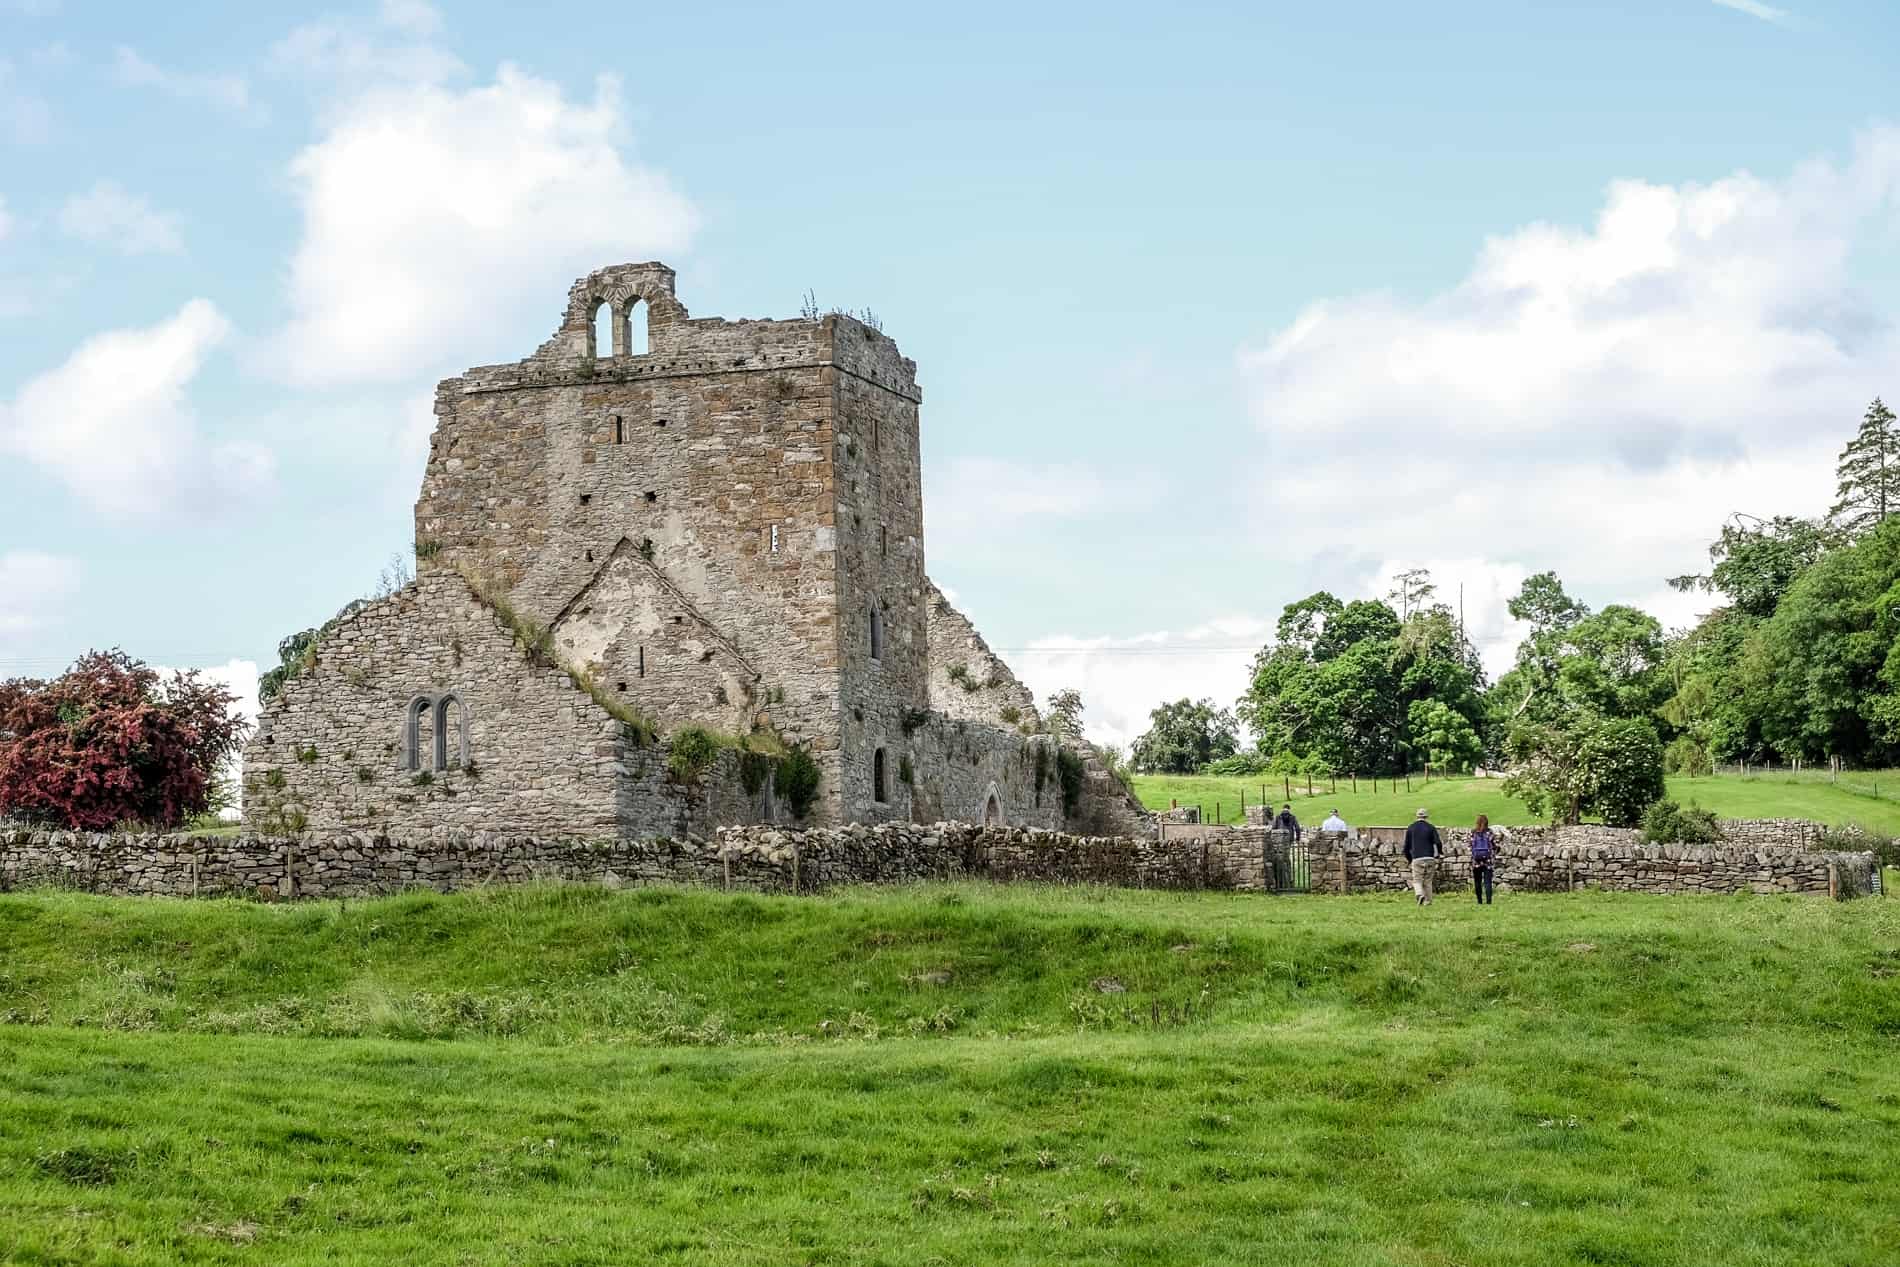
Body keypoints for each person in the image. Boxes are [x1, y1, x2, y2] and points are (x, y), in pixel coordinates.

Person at [1403, 807, 1442, 906]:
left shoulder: (1411, 828)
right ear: (1426, 817)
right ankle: (1428, 902)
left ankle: (1419, 894)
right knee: (1428, 881)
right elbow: (1437, 842)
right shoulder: (1431, 827)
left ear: (1417, 816)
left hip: (1417, 858)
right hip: (1429, 857)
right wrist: (1440, 852)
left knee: (1417, 880)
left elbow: (1406, 847)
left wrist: (1409, 859)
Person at [1469, 814, 1498, 905]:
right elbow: (1494, 846)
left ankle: (1479, 901)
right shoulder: (1489, 832)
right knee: (1487, 881)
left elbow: (1469, 846)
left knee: (1477, 881)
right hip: (1488, 861)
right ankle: (1488, 902)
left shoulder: (1473, 832)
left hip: (1476, 860)